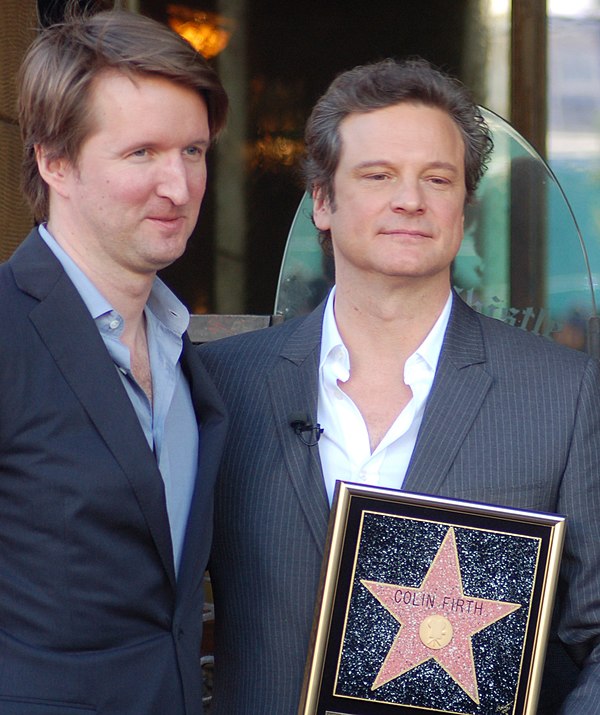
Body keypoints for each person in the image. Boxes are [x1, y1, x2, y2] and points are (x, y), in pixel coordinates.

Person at [199, 58, 600, 714]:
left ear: (462, 208)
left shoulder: (563, 393)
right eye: (378, 175)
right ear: (322, 202)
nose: (409, 200)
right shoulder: (225, 385)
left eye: (436, 178)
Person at [0, 5, 228, 714]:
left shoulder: (187, 353)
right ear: (54, 160)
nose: (180, 186)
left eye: (193, 151)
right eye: (143, 153)